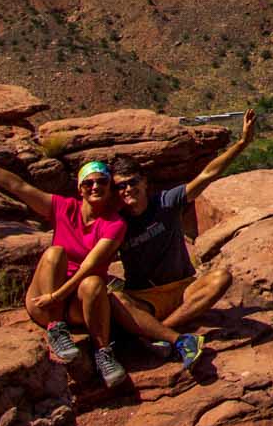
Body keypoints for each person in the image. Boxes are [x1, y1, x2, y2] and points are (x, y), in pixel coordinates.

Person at [0, 148, 132, 389]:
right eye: (88, 183)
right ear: (79, 189)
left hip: (74, 304)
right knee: (55, 252)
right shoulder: (63, 208)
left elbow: (90, 265)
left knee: (94, 281)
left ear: (109, 187)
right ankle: (56, 329)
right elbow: (18, 186)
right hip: (44, 301)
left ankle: (103, 353)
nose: (95, 187)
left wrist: (60, 295)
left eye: (102, 182)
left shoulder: (114, 224)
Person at [105, 111, 252, 368]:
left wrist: (241, 144)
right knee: (114, 298)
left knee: (221, 277)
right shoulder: (116, 222)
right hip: (145, 299)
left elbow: (207, 175)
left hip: (184, 289)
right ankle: (167, 334)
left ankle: (157, 333)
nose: (128, 189)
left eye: (132, 182)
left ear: (144, 181)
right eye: (120, 186)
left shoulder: (165, 202)